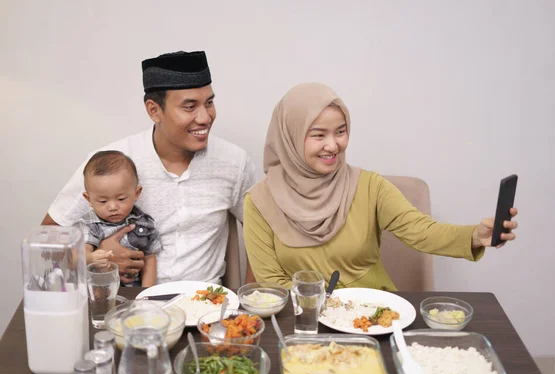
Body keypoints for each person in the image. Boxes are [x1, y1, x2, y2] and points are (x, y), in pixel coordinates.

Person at [243, 83, 519, 290]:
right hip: (305, 325)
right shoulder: (259, 202)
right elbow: (271, 281)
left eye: (340, 131)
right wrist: (327, 309)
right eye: (318, 135)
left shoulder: (369, 186)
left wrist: (475, 235)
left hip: (375, 319)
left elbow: (422, 231)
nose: (333, 145)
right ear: (289, 138)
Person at [42, 51, 256, 285]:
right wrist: (94, 257)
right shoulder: (110, 163)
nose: (205, 117)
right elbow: (46, 241)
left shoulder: (233, 162)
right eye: (189, 106)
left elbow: (262, 234)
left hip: (204, 304)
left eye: (209, 103)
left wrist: (250, 299)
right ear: (154, 110)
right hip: (125, 305)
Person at [80, 150, 161, 287]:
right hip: (99, 292)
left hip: (132, 291)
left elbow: (150, 259)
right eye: (102, 201)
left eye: (121, 199)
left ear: (136, 193)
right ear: (89, 199)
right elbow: (80, 254)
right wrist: (91, 258)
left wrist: (146, 292)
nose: (112, 207)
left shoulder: (144, 223)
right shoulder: (90, 224)